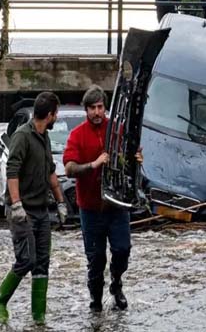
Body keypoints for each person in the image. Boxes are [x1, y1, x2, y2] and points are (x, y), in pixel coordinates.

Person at [0, 92, 68, 326]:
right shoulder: (22, 136)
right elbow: (12, 171)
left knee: (42, 263)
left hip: (42, 211)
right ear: (51, 114)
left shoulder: (44, 137)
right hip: (22, 211)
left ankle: (38, 318)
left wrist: (61, 202)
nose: (57, 117)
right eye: (57, 113)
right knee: (26, 260)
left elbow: (51, 172)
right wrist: (16, 205)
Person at [63, 86, 143, 313]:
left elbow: (131, 158)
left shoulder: (118, 130)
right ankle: (96, 302)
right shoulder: (77, 135)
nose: (97, 112)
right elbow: (69, 168)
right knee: (95, 259)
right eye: (92, 108)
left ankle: (117, 283)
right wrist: (94, 164)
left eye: (100, 107)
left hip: (116, 206)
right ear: (86, 110)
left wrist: (137, 159)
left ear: (105, 108)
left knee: (122, 249)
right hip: (90, 208)